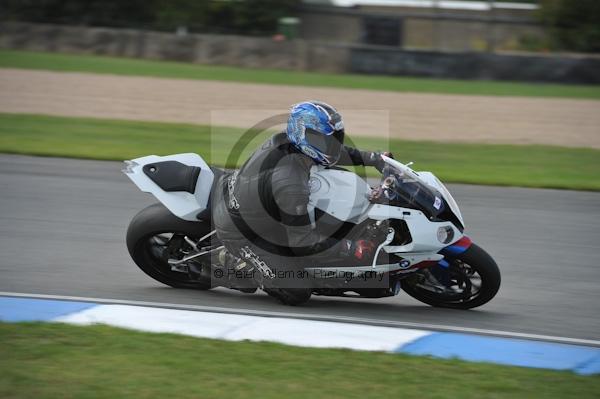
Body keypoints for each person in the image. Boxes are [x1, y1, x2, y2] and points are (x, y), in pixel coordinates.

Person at [212, 101, 392, 304]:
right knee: (297, 291)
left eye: (332, 139)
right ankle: (229, 260)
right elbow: (302, 241)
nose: (331, 145)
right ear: (302, 134)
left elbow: (333, 152)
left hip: (260, 208)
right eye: (323, 140)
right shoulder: (291, 182)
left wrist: (374, 158)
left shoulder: (291, 142)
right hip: (243, 233)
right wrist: (350, 248)